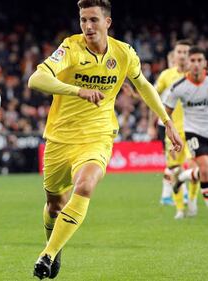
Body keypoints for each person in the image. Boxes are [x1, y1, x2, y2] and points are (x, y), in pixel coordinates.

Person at [27, 0, 183, 279]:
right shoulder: (70, 47)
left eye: (93, 20)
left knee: (85, 185)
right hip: (60, 138)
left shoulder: (124, 54)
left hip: (98, 136)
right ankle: (55, 244)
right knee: (54, 204)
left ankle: (46, 255)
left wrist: (167, 120)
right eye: (83, 20)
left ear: (107, 22)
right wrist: (77, 90)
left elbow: (143, 86)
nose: (87, 26)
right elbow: (36, 80)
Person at [148, 40, 199, 218]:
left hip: (195, 130)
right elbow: (152, 97)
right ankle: (179, 208)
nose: (183, 55)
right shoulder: (166, 76)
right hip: (173, 132)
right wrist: (151, 125)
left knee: (197, 168)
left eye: (186, 52)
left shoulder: (198, 76)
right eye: (180, 52)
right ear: (175, 55)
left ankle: (192, 198)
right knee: (175, 170)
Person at [164, 46, 208, 211]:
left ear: (205, 63)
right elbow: (166, 113)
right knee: (205, 168)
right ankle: (192, 205)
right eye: (193, 60)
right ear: (188, 63)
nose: (196, 64)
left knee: (203, 172)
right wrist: (170, 135)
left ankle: (182, 177)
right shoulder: (178, 87)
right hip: (193, 132)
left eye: (199, 60)